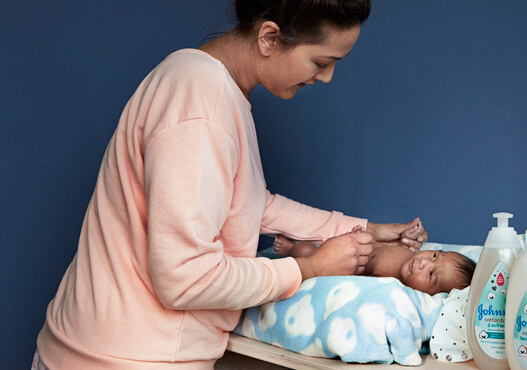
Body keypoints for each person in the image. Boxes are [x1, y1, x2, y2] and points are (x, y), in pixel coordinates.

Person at [35, 1, 428, 369]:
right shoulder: (201, 103)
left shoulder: (207, 86)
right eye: (321, 61)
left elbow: (255, 205)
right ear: (269, 37)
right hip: (122, 359)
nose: (326, 77)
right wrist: (307, 268)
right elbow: (185, 278)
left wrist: (367, 229)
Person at [274, 226, 477, 295]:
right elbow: (383, 245)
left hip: (341, 262)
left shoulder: (392, 283)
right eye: (435, 255)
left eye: (431, 274)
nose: (425, 262)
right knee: (315, 246)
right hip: (348, 246)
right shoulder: (408, 254)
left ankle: (292, 249)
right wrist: (360, 236)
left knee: (305, 250)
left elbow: (361, 279)